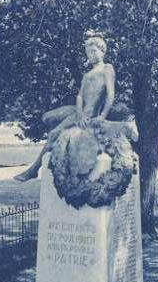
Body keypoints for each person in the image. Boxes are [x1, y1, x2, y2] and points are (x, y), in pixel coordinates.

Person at [15, 32, 115, 182]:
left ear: (102, 50)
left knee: (53, 133)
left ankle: (34, 169)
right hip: (79, 111)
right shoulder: (87, 75)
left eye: (94, 51)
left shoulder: (107, 69)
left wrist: (102, 116)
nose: (91, 55)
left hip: (90, 114)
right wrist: (80, 113)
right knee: (47, 117)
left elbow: (110, 94)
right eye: (88, 52)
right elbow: (80, 96)